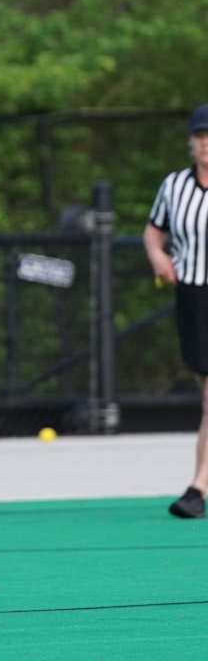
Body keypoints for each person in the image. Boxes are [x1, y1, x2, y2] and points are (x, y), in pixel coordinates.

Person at [143, 102, 208, 520]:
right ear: (191, 143)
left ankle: (198, 487)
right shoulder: (174, 186)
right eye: (201, 138)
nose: (206, 146)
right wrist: (158, 258)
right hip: (195, 295)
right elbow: (153, 231)